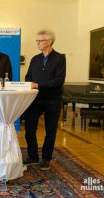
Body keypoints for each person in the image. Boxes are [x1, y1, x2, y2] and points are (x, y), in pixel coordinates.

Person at [23, 30, 66, 170]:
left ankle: (46, 158)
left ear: (49, 42)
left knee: (50, 130)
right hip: (35, 99)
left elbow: (59, 80)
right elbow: (28, 77)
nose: (37, 43)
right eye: (37, 41)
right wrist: (30, 85)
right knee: (29, 128)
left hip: (52, 99)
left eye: (40, 41)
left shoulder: (60, 58)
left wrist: (38, 85)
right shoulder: (35, 59)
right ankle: (33, 156)